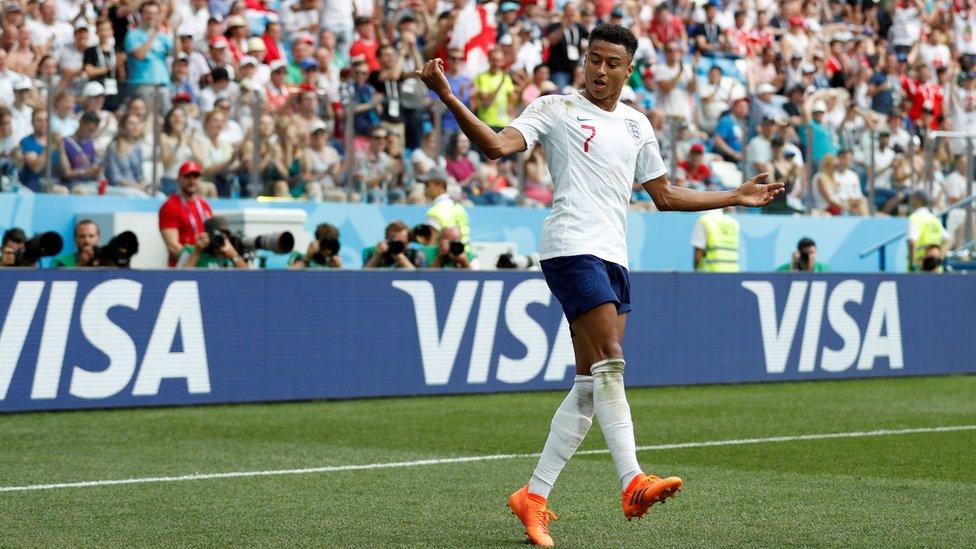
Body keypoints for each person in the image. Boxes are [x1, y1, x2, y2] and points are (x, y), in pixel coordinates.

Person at [417, 23, 783, 547]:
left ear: (628, 70)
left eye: (612, 62)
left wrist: (734, 196)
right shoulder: (555, 108)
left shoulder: (637, 126)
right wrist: (449, 97)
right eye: (594, 59)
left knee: (591, 384)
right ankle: (632, 481)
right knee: (612, 357)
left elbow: (664, 196)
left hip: (613, 256)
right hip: (570, 246)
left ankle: (534, 495)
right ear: (584, 61)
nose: (601, 70)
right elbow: (498, 147)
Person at [158, 161, 215, 267]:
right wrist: (195, 260)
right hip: (181, 268)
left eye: (195, 177)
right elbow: (172, 246)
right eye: (188, 176)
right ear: (178, 179)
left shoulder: (205, 206)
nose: (192, 180)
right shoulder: (170, 206)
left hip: (204, 266)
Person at [177, 215, 249, 268]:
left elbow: (249, 278)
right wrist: (197, 252)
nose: (219, 239)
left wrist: (233, 255)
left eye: (224, 236)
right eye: (216, 236)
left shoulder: (231, 253)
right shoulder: (190, 251)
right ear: (207, 236)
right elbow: (180, 278)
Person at [907, 192, 949, 272]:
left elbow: (912, 242)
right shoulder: (934, 219)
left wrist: (912, 265)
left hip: (921, 268)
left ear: (917, 200)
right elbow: (948, 240)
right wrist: (938, 260)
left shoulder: (915, 218)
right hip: (936, 269)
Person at [691, 207, 740, 272]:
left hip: (711, 273)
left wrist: (696, 272)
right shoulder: (734, 223)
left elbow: (698, 255)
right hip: (733, 272)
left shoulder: (703, 221)